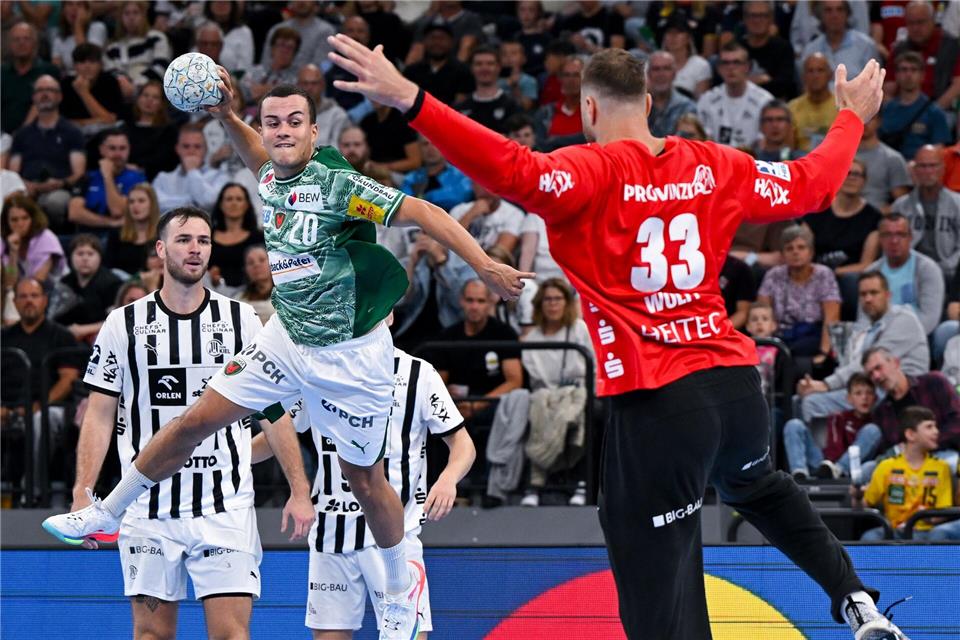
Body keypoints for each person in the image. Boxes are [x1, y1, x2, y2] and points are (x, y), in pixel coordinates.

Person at [325, 35, 910, 637]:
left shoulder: (588, 170)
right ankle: (854, 598)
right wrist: (849, 116)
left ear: (589, 109)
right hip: (737, 390)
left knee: (652, 585)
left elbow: (508, 166)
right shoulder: (715, 164)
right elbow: (813, 184)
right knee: (758, 486)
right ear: (649, 104)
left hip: (658, 401)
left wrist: (412, 99)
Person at [43, 78, 528, 640]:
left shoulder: (337, 185)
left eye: (294, 122)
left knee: (364, 479)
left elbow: (421, 211)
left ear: (314, 131)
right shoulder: (271, 176)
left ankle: (401, 584)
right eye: (272, 122)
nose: (281, 131)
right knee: (194, 422)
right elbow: (257, 155)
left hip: (350, 355)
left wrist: (485, 265)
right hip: (287, 337)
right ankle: (106, 512)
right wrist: (228, 116)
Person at [58, 207, 314, 639]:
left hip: (224, 505)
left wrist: (300, 489)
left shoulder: (241, 320)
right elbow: (100, 414)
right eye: (183, 240)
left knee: (232, 635)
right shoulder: (123, 323)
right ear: (160, 249)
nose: (195, 249)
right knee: (151, 635)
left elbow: (271, 410)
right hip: (147, 508)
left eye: (203, 240)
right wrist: (83, 491)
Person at [252, 345, 475, 637]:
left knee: (408, 635)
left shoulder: (419, 373)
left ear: (390, 320)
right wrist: (229, 455)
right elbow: (277, 434)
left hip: (395, 537)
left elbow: (462, 443)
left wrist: (448, 478)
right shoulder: (316, 369)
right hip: (330, 533)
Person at [796, 271, 929, 425]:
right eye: (863, 294)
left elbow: (870, 364)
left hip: (898, 390)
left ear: (888, 295)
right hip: (868, 385)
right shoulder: (866, 329)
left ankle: (831, 442)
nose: (868, 299)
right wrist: (813, 385)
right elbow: (850, 366)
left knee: (812, 403)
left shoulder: (904, 320)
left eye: (874, 293)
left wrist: (826, 385)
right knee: (798, 399)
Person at [518, 277, 594, 507]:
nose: (553, 304)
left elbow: (594, 366)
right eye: (548, 299)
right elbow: (535, 379)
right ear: (540, 304)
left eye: (558, 299)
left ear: (567, 302)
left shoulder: (579, 329)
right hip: (545, 395)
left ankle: (580, 483)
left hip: (577, 392)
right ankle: (535, 485)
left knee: (579, 412)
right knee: (539, 407)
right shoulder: (532, 338)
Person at [0, 278, 81, 484]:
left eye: (34, 296)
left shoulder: (61, 336)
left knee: (41, 420)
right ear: (15, 302)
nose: (29, 301)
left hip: (50, 407)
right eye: (23, 296)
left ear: (45, 300)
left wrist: (38, 406)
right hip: (7, 407)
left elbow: (68, 379)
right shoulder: (4, 337)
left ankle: (33, 489)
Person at [851, 406, 953, 540]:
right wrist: (857, 497)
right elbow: (863, 505)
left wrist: (927, 517)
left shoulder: (941, 467)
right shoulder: (886, 466)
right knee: (870, 537)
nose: (936, 432)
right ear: (910, 434)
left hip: (926, 533)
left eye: (935, 427)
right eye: (929, 427)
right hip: (893, 531)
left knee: (938, 537)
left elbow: (944, 510)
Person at [861, 347, 960, 474]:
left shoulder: (933, 382)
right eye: (870, 374)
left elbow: (957, 422)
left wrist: (923, 444)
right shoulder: (880, 412)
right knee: (867, 470)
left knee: (950, 464)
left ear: (896, 363)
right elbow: (888, 450)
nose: (876, 376)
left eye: (878, 368)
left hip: (941, 452)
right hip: (903, 465)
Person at [8, 75, 86, 229]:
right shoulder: (22, 134)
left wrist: (61, 183)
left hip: (59, 189)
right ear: (33, 97)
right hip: (28, 189)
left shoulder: (72, 132)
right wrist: (27, 185)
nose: (44, 94)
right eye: (40, 90)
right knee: (14, 203)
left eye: (50, 90)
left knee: (54, 203)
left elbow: (78, 172)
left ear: (60, 96)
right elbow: (13, 172)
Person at [757, 226, 841, 358]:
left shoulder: (824, 275)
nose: (795, 252)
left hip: (812, 336)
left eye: (801, 247)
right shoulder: (773, 275)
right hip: (779, 336)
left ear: (811, 252)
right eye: (789, 248)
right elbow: (761, 312)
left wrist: (823, 353)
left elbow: (832, 319)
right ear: (783, 255)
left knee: (798, 356)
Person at [784, 373, 879, 480]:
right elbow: (833, 448)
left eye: (869, 393)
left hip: (857, 469)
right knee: (794, 424)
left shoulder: (879, 420)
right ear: (849, 398)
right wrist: (830, 465)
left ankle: (840, 469)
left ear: (875, 398)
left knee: (872, 430)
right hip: (826, 466)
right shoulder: (839, 417)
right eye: (858, 393)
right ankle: (799, 473)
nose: (864, 398)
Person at [866, 213, 945, 335]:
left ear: (910, 237)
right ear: (880, 239)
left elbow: (929, 318)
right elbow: (864, 318)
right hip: (878, 336)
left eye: (900, 234)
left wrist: (900, 337)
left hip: (918, 335)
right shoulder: (871, 272)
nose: (894, 241)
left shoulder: (928, 269)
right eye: (888, 235)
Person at [890, 145, 960, 279]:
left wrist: (940, 269)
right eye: (922, 166)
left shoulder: (958, 204)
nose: (928, 171)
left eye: (933, 165)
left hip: (951, 274)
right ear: (914, 170)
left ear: (943, 169)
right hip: (908, 272)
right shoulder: (900, 206)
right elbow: (892, 243)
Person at [803, 159, 881, 274]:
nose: (851, 178)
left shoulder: (873, 217)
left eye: (857, 174)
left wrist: (833, 273)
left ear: (864, 181)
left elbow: (866, 264)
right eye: (847, 173)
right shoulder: (817, 209)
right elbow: (803, 251)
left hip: (851, 277)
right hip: (813, 274)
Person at [884, 0, 960, 111]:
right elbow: (887, 90)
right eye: (911, 23)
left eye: (920, 22)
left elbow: (957, 85)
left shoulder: (951, 46)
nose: (915, 28)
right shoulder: (899, 49)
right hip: (904, 110)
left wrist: (932, 113)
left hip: (941, 110)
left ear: (933, 20)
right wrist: (900, 112)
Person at [68, 128, 146, 235]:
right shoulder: (88, 177)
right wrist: (110, 223)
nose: (118, 154)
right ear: (101, 150)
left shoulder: (137, 178)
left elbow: (117, 211)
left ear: (129, 150)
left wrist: (107, 176)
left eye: (122, 148)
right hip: (88, 237)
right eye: (112, 148)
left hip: (121, 236)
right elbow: (74, 213)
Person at [697, 42, 775, 148]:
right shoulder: (707, 101)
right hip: (716, 156)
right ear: (719, 68)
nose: (731, 68)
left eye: (736, 62)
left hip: (752, 157)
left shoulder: (765, 101)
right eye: (725, 63)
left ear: (747, 67)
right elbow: (702, 140)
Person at [878, 51, 951, 160]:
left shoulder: (934, 112)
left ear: (922, 76)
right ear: (896, 75)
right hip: (888, 165)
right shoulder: (886, 109)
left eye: (913, 70)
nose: (908, 74)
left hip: (921, 166)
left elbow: (939, 149)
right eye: (904, 70)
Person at [55, 234, 122, 343]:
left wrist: (84, 330)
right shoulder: (64, 283)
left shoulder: (112, 284)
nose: (85, 258)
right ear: (70, 257)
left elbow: (118, 321)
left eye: (90, 254)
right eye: (80, 254)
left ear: (100, 257)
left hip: (103, 339)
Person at [153, 124, 230, 213]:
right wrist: (193, 201)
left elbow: (208, 203)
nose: (191, 151)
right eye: (186, 146)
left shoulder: (219, 176)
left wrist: (192, 171)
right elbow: (156, 205)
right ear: (177, 149)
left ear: (206, 149)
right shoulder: (162, 178)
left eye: (197, 146)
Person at [103, 1, 171, 100]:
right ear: (121, 17)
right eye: (127, 13)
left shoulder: (157, 38)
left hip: (151, 90)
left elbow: (161, 67)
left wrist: (137, 85)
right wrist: (122, 81)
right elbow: (111, 71)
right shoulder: (112, 48)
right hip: (122, 92)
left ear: (143, 16)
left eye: (136, 13)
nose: (131, 17)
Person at [1, 22, 59, 134]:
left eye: (26, 39)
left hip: (39, 134)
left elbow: (43, 104)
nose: (21, 43)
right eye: (16, 39)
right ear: (10, 45)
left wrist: (21, 135)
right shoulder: (2, 72)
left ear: (35, 43)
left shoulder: (49, 71)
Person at [798, 1, 878, 82]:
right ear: (821, 15)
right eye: (828, 10)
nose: (834, 15)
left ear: (847, 14)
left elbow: (875, 83)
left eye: (840, 10)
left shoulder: (866, 46)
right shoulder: (810, 50)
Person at [1, 194, 67, 287]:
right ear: (6, 222)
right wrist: (13, 253)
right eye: (14, 220)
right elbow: (9, 284)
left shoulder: (46, 238)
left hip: (52, 290)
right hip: (19, 292)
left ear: (33, 218)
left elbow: (37, 284)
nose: (20, 224)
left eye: (25, 218)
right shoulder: (3, 242)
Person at [402, 23, 474, 108]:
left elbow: (461, 103)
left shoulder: (463, 71)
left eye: (442, 38)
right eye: (432, 38)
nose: (436, 43)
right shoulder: (411, 71)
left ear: (451, 42)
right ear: (424, 41)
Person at [208, 183, 264, 292]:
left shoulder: (259, 238)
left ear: (246, 205)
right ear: (221, 204)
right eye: (229, 199)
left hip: (251, 294)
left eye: (239, 199)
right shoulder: (207, 237)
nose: (234, 203)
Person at [60, 43, 123, 136]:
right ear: (74, 66)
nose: (87, 66)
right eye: (82, 62)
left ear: (100, 65)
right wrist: (95, 121)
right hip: (73, 134)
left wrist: (83, 92)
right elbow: (62, 122)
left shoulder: (110, 82)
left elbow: (110, 121)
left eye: (92, 62)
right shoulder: (65, 84)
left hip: (106, 134)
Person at [738, 0, 796, 99]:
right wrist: (762, 80)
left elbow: (783, 86)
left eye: (763, 15)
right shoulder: (736, 48)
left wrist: (744, 82)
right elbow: (727, 84)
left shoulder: (783, 48)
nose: (757, 20)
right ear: (744, 19)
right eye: (753, 15)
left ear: (771, 19)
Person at [855, 115, 912, 214]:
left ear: (879, 122)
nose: (865, 122)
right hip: (839, 215)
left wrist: (884, 213)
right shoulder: (838, 155)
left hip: (876, 216)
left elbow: (902, 202)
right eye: (861, 117)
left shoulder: (893, 158)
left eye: (870, 118)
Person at [400, 136, 473, 212]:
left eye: (435, 143)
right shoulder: (410, 179)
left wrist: (425, 197)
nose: (430, 149)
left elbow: (459, 197)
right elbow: (404, 205)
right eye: (425, 144)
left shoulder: (461, 175)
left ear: (446, 147)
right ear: (419, 148)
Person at [449, 182, 524, 255]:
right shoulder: (458, 210)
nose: (486, 189)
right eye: (481, 183)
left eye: (490, 183)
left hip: (485, 262)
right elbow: (448, 242)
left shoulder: (514, 214)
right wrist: (469, 215)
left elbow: (501, 253)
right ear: (472, 185)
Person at [126, 80, 179, 181]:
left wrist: (139, 167)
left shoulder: (169, 131)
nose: (149, 100)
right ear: (138, 99)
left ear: (161, 104)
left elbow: (164, 160)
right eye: (145, 95)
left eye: (155, 97)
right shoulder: (126, 127)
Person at [788, 53, 839, 151]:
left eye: (820, 70)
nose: (815, 76)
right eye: (810, 71)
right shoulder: (792, 108)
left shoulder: (841, 106)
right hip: (802, 157)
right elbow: (788, 148)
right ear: (803, 76)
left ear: (830, 75)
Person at [108, 183, 159, 277]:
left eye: (141, 201)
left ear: (152, 204)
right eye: (131, 202)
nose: (135, 206)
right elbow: (109, 268)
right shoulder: (116, 234)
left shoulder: (162, 235)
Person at [297, 64, 350, 150]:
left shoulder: (337, 115)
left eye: (314, 83)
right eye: (305, 83)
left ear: (323, 85)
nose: (309, 88)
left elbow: (337, 150)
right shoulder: (288, 114)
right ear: (298, 86)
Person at [660, 13, 711, 99]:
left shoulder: (700, 65)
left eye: (679, 32)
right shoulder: (652, 64)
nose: (673, 36)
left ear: (688, 38)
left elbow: (701, 101)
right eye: (669, 32)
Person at [646, 51, 696, 138]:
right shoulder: (639, 107)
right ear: (648, 74)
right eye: (656, 69)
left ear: (674, 73)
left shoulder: (687, 107)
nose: (661, 74)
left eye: (666, 68)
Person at [51, 0, 108, 72]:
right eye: (70, 4)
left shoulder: (97, 28)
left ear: (87, 11)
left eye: (79, 5)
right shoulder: (59, 38)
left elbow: (88, 59)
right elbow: (57, 68)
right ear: (63, 10)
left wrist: (78, 26)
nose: (74, 9)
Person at [203, 0, 254, 75]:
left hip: (232, 80)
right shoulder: (201, 28)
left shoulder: (244, 32)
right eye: (216, 1)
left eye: (225, 2)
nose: (220, 5)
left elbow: (244, 68)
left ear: (232, 5)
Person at [236, 245, 274, 323]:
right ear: (245, 270)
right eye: (250, 263)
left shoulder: (285, 296)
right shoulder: (238, 299)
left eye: (262, 260)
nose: (256, 265)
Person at [499, 40, 538, 112]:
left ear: (524, 59)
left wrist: (515, 86)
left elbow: (526, 107)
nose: (508, 57)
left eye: (514, 53)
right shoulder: (492, 79)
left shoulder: (529, 81)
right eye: (504, 54)